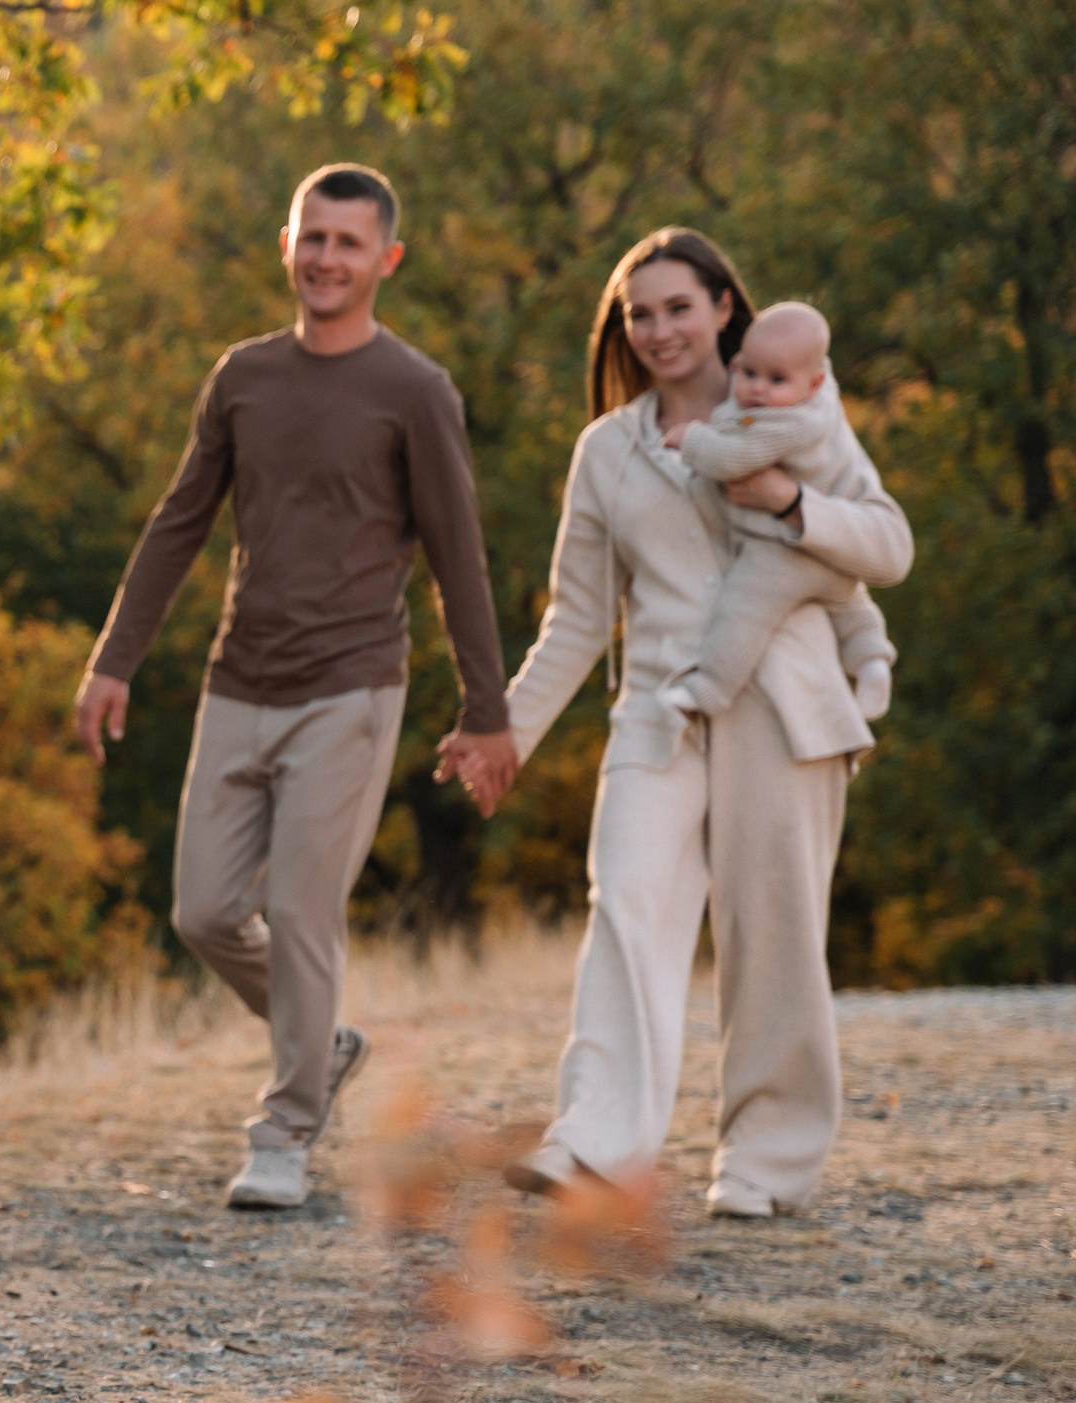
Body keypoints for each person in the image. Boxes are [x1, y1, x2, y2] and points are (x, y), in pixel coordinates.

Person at [74, 163, 517, 1212]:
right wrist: (114, 658)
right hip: (241, 677)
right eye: (311, 237)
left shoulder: (413, 390)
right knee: (202, 911)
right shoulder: (244, 377)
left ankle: (283, 1128)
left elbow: (458, 556)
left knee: (299, 911)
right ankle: (324, 1040)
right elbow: (179, 521)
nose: (326, 258)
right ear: (286, 243)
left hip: (351, 688)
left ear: (384, 262)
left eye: (347, 244)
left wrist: (485, 708)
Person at [457, 229, 911, 1217]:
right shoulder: (605, 452)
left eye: (677, 307)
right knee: (624, 900)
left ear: (720, 308)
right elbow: (575, 620)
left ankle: (764, 1163)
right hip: (657, 713)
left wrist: (789, 502)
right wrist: (505, 731)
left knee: (772, 941)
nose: (658, 329)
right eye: (638, 313)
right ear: (622, 330)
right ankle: (593, 1143)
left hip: (785, 716)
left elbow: (887, 542)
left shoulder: (794, 411)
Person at [652, 301, 898, 721]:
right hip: (829, 552)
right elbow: (756, 389)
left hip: (786, 550)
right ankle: (872, 661)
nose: (759, 390)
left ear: (816, 383)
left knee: (744, 607)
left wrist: (690, 440)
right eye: (749, 373)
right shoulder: (811, 400)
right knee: (849, 602)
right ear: (736, 364)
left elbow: (733, 457)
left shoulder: (789, 424)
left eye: (777, 380)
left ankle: (709, 686)